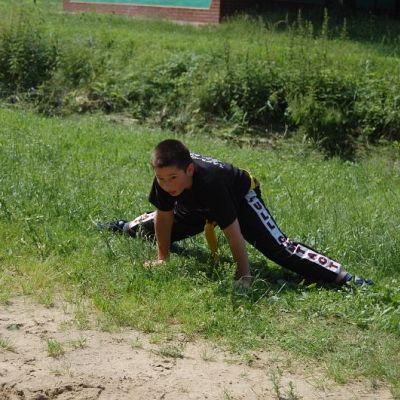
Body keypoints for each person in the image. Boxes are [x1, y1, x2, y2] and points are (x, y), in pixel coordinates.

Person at [101, 139, 373, 288]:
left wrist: (244, 276)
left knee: (278, 248)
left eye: (172, 178)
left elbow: (233, 232)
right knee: (150, 228)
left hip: (241, 198)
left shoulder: (210, 182)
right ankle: (124, 226)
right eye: (161, 179)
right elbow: (164, 215)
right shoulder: (165, 178)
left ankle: (344, 277)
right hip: (196, 203)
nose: (166, 184)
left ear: (189, 170)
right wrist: (163, 258)